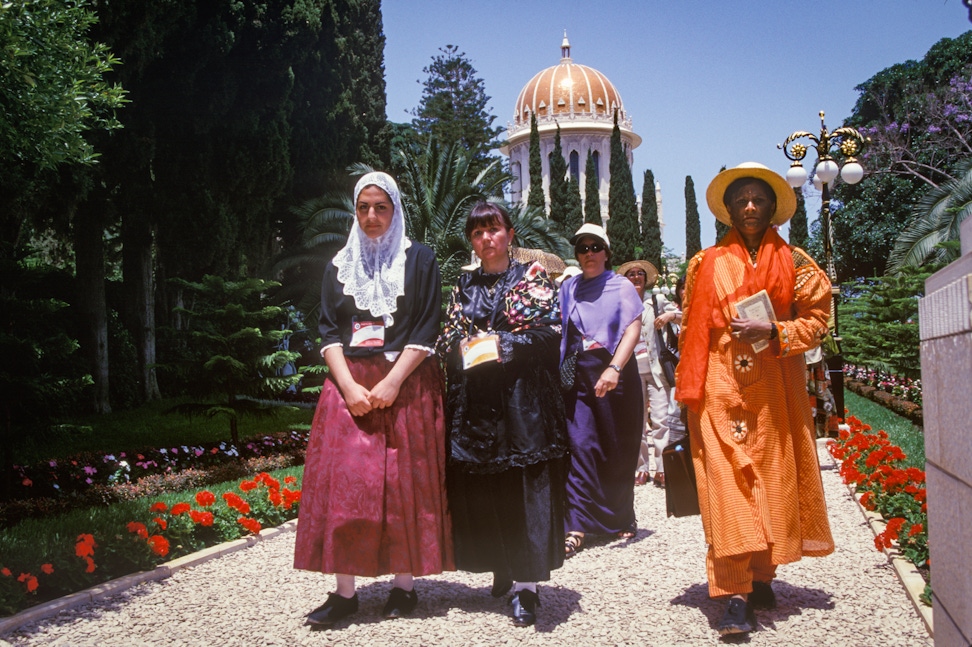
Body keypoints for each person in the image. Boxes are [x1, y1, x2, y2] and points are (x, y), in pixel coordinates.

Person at [676, 162, 835, 636]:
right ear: (726, 210)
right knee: (726, 489)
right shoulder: (703, 263)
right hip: (720, 389)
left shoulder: (799, 263)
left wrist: (775, 329)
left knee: (770, 478)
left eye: (758, 199)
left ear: (772, 209)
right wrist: (690, 387)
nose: (749, 206)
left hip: (774, 388)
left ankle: (762, 574)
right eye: (740, 199)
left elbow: (818, 319)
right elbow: (691, 328)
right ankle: (732, 595)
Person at [294, 172, 454, 626]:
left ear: (395, 209)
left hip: (406, 383)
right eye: (363, 207)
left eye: (380, 207)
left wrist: (392, 382)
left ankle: (403, 587)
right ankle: (345, 593)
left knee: (404, 485)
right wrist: (348, 387)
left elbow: (426, 327)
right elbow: (327, 330)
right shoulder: (338, 264)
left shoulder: (420, 260)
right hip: (351, 384)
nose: (371, 216)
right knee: (345, 486)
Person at [437, 201, 568, 627]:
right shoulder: (464, 283)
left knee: (524, 489)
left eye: (493, 230)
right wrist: (462, 348)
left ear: (510, 235)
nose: (485, 239)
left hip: (522, 399)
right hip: (476, 401)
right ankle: (501, 565)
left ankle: (527, 588)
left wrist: (503, 346)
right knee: (487, 487)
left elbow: (549, 331)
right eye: (477, 233)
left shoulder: (531, 276)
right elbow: (449, 334)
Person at [560, 224, 644, 558]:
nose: (589, 253)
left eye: (596, 247)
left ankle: (620, 516)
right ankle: (576, 525)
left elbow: (632, 328)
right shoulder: (568, 289)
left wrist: (614, 368)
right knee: (580, 445)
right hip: (580, 374)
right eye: (583, 248)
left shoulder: (621, 286)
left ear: (607, 253)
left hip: (617, 373)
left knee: (617, 448)